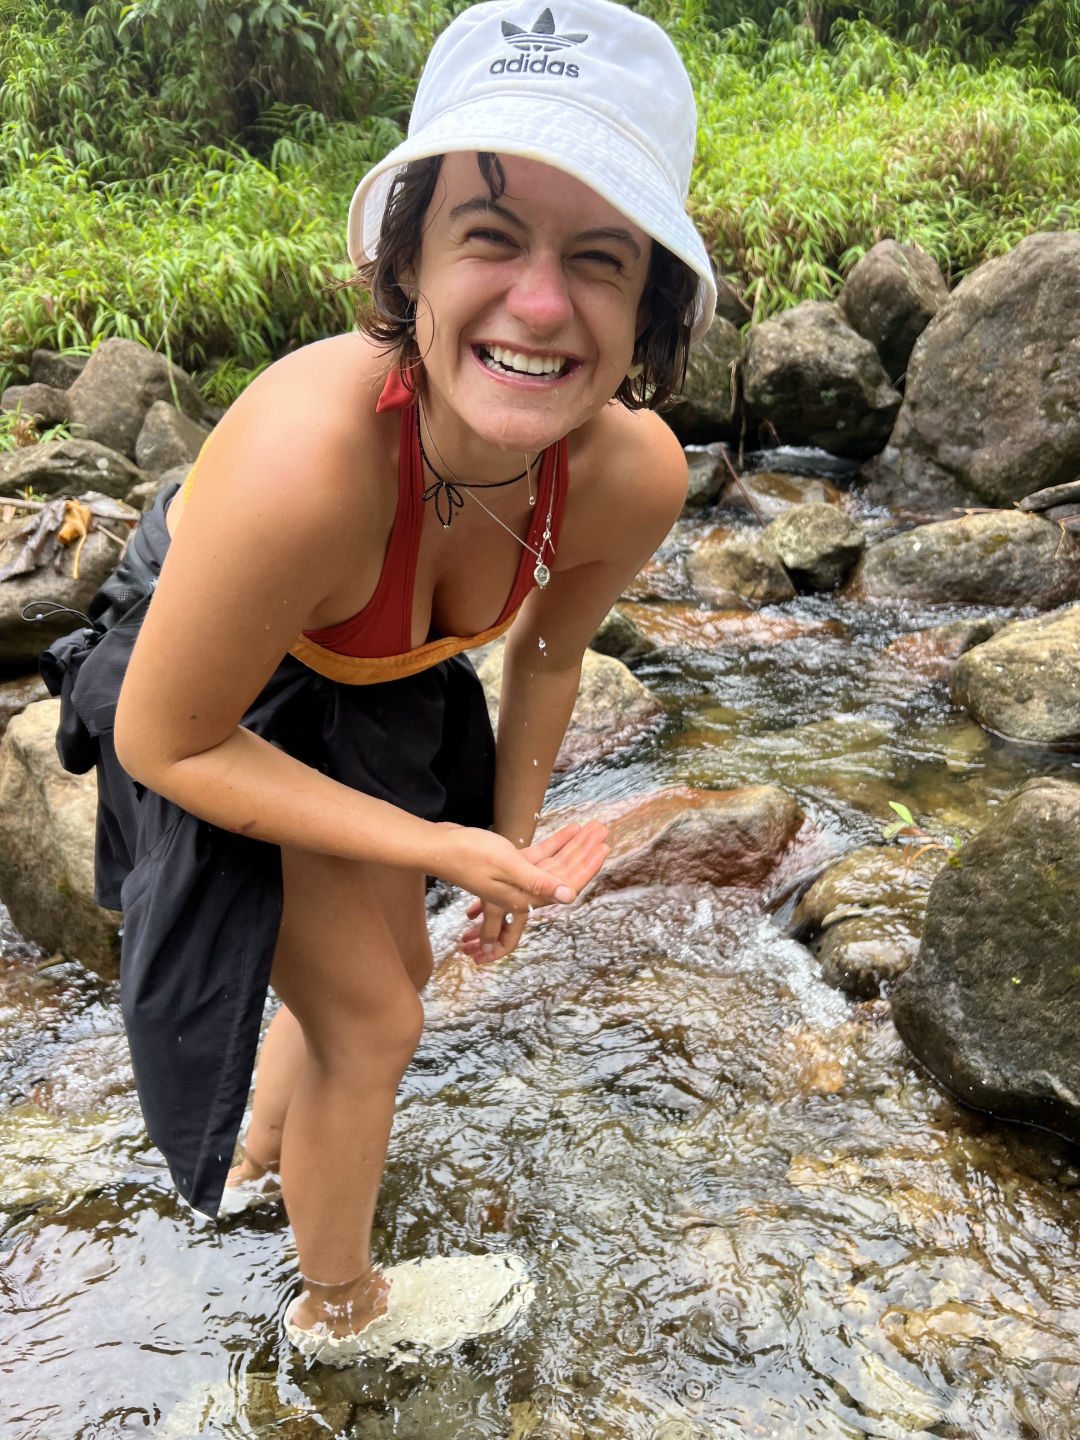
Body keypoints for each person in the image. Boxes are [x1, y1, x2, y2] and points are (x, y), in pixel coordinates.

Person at [41, 0, 716, 1364]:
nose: (541, 304)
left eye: (600, 257)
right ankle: (337, 1314)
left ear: (650, 304)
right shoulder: (308, 461)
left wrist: (505, 847)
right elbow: (172, 741)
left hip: (377, 669)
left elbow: (545, 650)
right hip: (220, 678)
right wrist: (438, 843)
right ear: (407, 261)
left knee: (394, 958)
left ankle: (261, 1159)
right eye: (490, 235)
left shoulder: (631, 477)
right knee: (377, 1016)